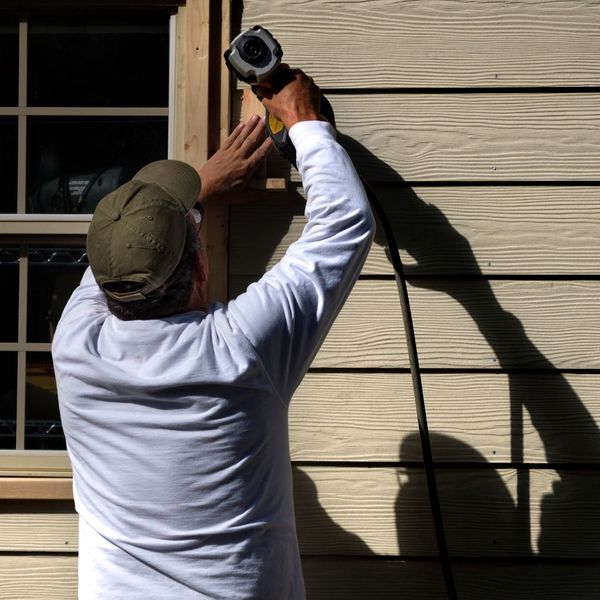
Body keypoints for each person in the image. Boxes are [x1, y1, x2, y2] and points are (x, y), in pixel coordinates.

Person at [52, 68, 375, 600]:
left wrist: (196, 192)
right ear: (201, 266)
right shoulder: (240, 347)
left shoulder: (73, 343)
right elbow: (343, 222)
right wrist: (305, 121)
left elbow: (121, 259)